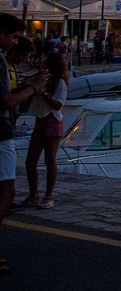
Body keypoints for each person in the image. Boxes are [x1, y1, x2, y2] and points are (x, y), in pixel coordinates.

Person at [1, 14, 49, 277]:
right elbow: (5, 101)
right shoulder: (0, 60)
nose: (15, 42)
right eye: (14, 36)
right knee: (6, 193)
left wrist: (28, 84)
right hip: (1, 133)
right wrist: (33, 88)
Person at [19, 50, 69, 209]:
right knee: (30, 161)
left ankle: (49, 196)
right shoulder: (42, 78)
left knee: (50, 160)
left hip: (52, 121)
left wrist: (44, 93)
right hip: (40, 120)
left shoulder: (60, 82)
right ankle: (33, 195)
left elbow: (58, 104)